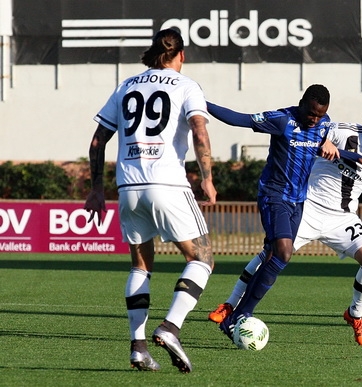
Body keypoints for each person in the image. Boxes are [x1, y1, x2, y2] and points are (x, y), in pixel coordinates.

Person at [208, 105, 362, 346]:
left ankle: (355, 315)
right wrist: (325, 143)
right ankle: (230, 305)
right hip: (308, 208)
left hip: (343, 218)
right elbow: (308, 136)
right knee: (271, 255)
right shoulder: (341, 131)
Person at [83, 29, 216, 374]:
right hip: (168, 183)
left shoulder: (126, 85)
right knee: (201, 259)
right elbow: (199, 131)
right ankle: (170, 328)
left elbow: (98, 141)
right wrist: (207, 177)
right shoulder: (187, 86)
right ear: (181, 55)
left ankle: (138, 348)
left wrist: (97, 188)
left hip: (129, 187)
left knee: (141, 265)